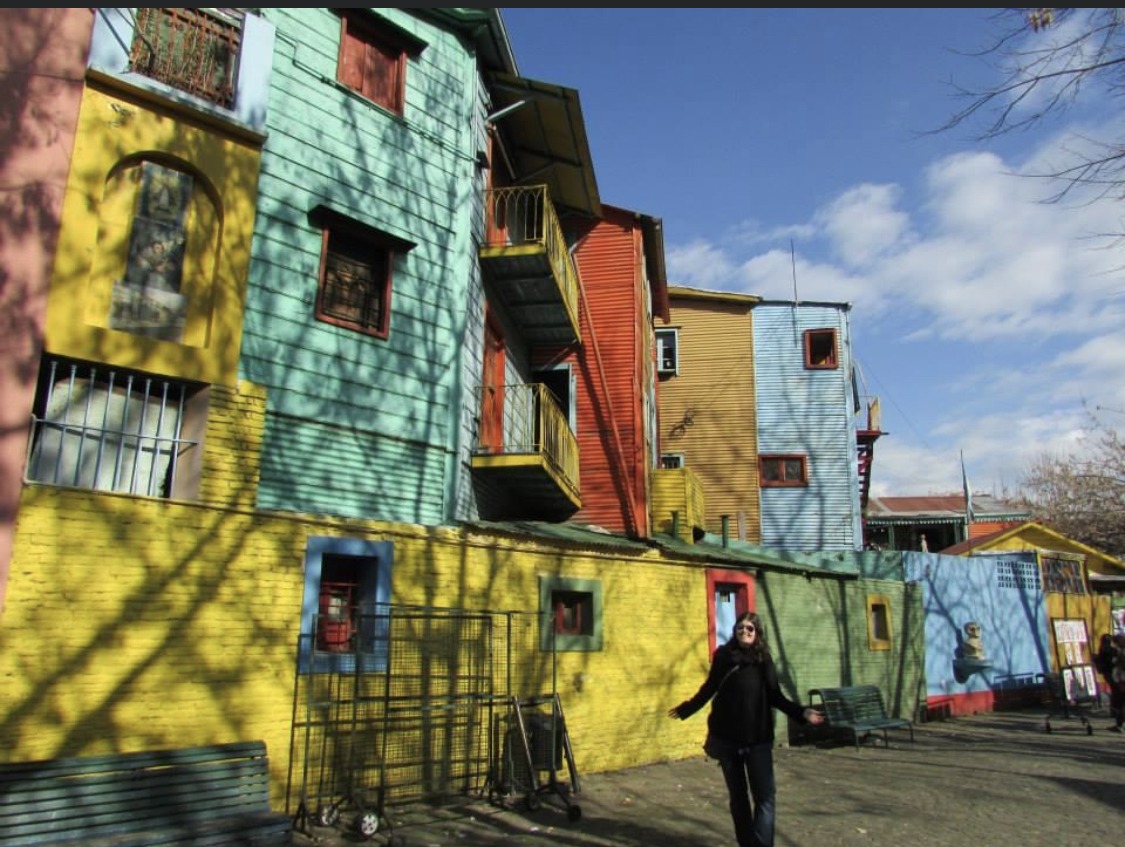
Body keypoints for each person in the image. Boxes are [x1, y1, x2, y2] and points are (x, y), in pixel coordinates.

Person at [668, 611, 824, 847]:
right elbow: (709, 688)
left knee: (764, 798)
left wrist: (801, 712)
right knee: (739, 799)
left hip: (757, 739)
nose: (744, 632)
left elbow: (775, 696)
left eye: (750, 628)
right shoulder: (724, 657)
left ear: (757, 633)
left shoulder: (763, 660)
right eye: (740, 627)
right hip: (727, 738)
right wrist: (686, 709)